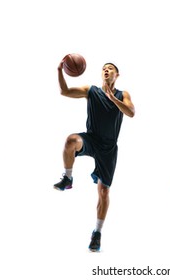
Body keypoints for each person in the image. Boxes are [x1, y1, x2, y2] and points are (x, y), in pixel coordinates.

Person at [53, 58, 136, 252]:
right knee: (71, 140)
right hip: (91, 139)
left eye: (111, 69)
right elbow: (64, 92)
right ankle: (67, 178)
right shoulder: (91, 91)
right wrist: (60, 71)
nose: (106, 70)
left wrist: (113, 99)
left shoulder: (123, 94)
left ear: (117, 75)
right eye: (104, 69)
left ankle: (97, 233)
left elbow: (131, 112)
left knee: (104, 192)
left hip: (108, 148)